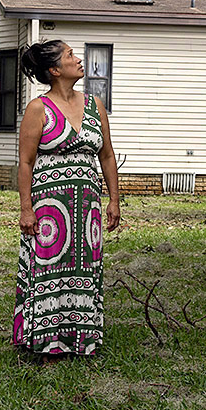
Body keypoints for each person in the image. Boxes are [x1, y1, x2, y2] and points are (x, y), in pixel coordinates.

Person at [12, 40, 120, 358]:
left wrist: (114, 201)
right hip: (49, 210)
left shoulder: (94, 105)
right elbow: (26, 162)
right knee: (49, 270)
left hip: (87, 209)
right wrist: (26, 209)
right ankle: (45, 342)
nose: (78, 59)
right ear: (55, 70)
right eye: (70, 55)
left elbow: (107, 156)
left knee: (86, 269)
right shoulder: (38, 108)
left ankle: (82, 340)